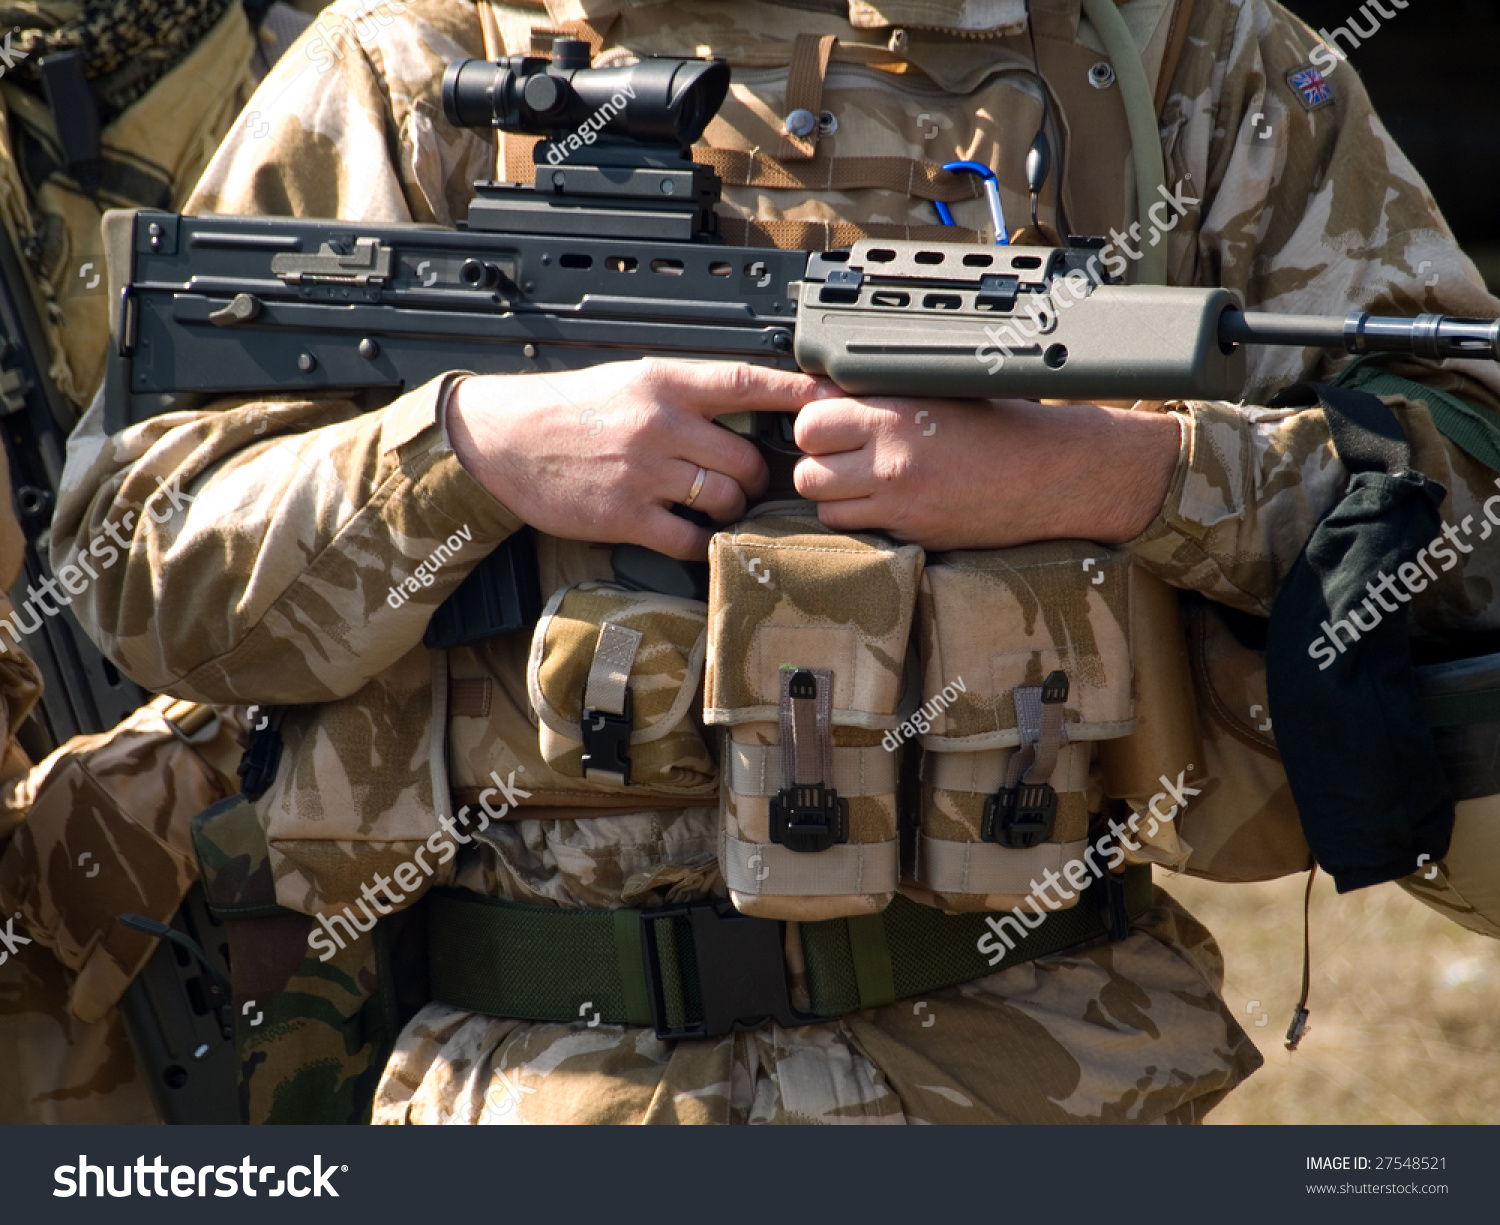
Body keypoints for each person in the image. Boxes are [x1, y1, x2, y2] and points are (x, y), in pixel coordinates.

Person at [52, 0, 1500, 1124]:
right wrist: (471, 451)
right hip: (550, 1090)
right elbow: (136, 569)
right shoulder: (418, 61)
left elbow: (1468, 479)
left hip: (1053, 1076)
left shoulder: (1172, 53)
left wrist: (1119, 472)